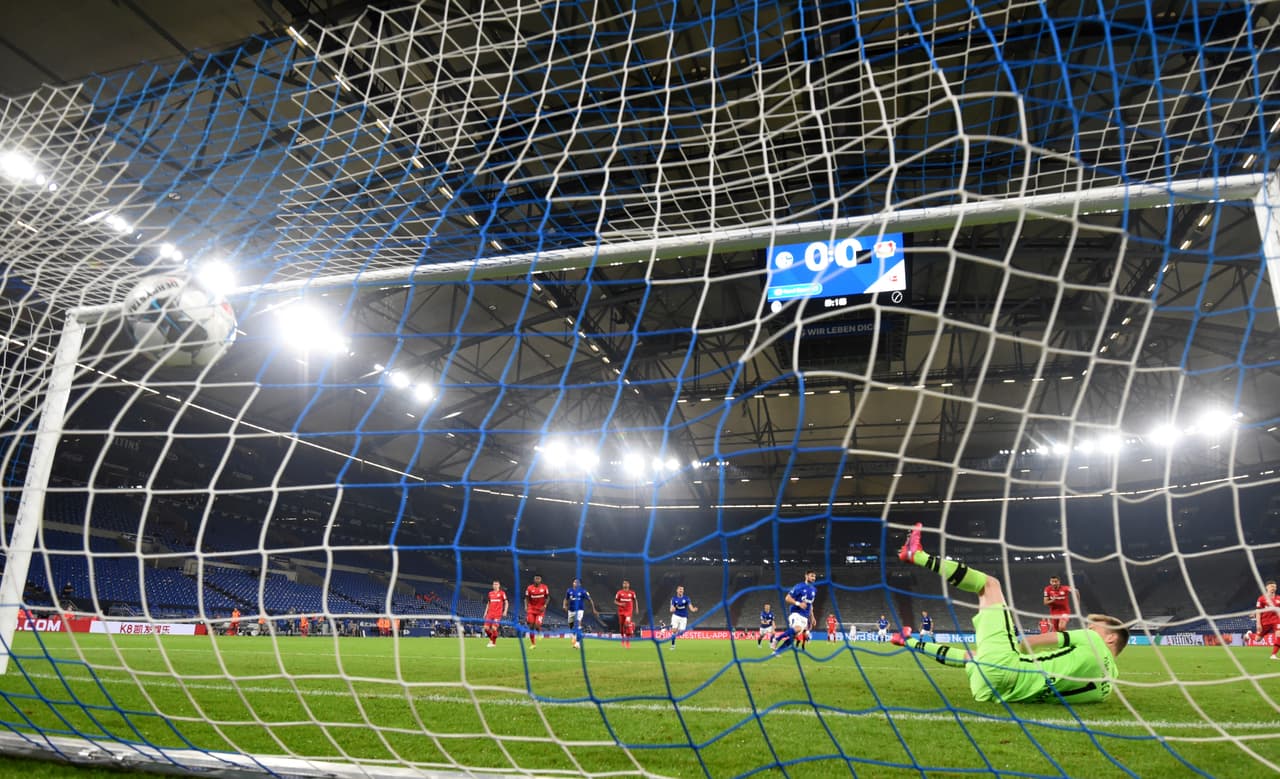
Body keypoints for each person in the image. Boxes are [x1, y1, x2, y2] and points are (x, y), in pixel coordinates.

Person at [893, 522, 1128, 704]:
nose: (1089, 629)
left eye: (1094, 627)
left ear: (1110, 637)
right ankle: (908, 641)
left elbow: (1029, 641)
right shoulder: (1106, 689)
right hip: (989, 691)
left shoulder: (1093, 640)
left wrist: (1017, 644)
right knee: (974, 657)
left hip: (1006, 669)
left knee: (990, 585)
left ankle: (917, 555)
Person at [770, 570, 817, 655]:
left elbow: (810, 604)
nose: (813, 578)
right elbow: (787, 598)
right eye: (811, 576)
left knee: (794, 637)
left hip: (805, 617)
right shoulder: (799, 586)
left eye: (814, 576)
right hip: (796, 613)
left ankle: (777, 652)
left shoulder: (814, 590)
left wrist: (812, 617)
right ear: (806, 576)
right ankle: (777, 638)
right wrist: (798, 603)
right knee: (798, 628)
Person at [563, 578, 597, 649]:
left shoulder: (583, 591)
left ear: (580, 584)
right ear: (573, 583)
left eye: (577, 582)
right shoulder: (569, 590)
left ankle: (577, 643)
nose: (575, 583)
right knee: (571, 627)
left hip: (579, 610)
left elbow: (590, 600)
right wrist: (564, 606)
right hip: (571, 610)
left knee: (578, 624)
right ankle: (576, 637)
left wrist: (593, 609)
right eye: (574, 582)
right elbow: (566, 599)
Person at [1254, 580, 1280, 660]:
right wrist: (1258, 623)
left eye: (1274, 587)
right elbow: (1258, 611)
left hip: (1276, 620)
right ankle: (1249, 635)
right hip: (1265, 621)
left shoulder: (1279, 598)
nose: (1273, 588)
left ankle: (1273, 655)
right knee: (1257, 639)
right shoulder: (1261, 599)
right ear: (1266, 587)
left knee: (1279, 635)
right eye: (1271, 586)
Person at [524, 574, 550, 648]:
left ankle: (539, 632)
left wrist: (545, 606)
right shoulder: (529, 588)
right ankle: (533, 644)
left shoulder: (544, 587)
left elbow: (548, 598)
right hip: (531, 609)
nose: (537, 580)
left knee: (537, 625)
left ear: (540, 580)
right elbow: (526, 598)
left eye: (538, 579)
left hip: (540, 610)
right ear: (534, 579)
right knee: (531, 625)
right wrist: (526, 606)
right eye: (536, 578)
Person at [484, 580, 508, 647]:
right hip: (490, 613)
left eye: (496, 584)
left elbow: (506, 602)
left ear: (499, 585)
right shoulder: (490, 593)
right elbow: (488, 603)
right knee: (486, 628)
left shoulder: (502, 593)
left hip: (497, 614)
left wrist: (505, 611)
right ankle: (491, 639)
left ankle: (493, 643)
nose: (495, 585)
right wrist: (485, 612)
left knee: (494, 628)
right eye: (494, 584)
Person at [615, 579, 638, 649]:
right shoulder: (619, 592)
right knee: (621, 626)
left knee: (627, 624)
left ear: (629, 585)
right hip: (621, 611)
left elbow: (635, 600)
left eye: (626, 583)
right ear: (622, 585)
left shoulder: (632, 593)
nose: (625, 584)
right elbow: (615, 601)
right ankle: (622, 639)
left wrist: (637, 608)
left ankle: (628, 642)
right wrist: (621, 604)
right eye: (624, 583)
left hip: (629, 611)